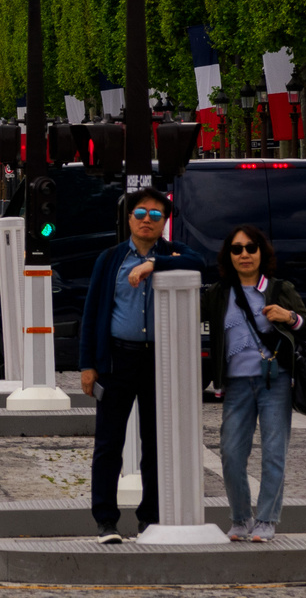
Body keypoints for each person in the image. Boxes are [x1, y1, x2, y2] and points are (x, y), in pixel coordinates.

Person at [78, 186, 204, 543]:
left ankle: (150, 518)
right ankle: (105, 520)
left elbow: (201, 263)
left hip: (159, 361)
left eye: (155, 215)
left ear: (165, 222)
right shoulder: (111, 259)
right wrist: (88, 364)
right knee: (108, 445)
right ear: (129, 218)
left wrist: (154, 264)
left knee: (156, 443)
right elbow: (92, 315)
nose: (147, 220)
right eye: (141, 214)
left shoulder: (174, 252)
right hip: (118, 359)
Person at [208, 225, 306, 542]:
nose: (244, 254)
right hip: (236, 384)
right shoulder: (218, 293)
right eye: (236, 249)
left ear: (261, 252)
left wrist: (290, 317)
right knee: (231, 453)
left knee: (273, 452)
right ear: (229, 255)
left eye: (251, 248)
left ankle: (266, 520)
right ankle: (240, 518)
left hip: (275, 380)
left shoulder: (280, 288)